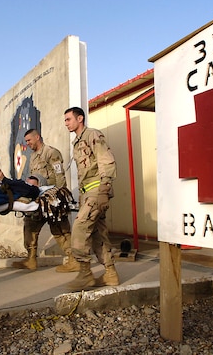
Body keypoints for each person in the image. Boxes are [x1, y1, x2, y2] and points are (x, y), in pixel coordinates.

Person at [0, 129, 78, 272]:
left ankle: (73, 260)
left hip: (52, 200)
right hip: (38, 200)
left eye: (29, 140)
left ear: (37, 137)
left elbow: (59, 176)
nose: (27, 144)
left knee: (60, 230)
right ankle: (31, 259)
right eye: (26, 141)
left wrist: (60, 199)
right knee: (30, 227)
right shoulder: (32, 157)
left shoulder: (51, 153)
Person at [63, 107, 119, 290]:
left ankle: (85, 274)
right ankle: (110, 273)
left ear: (80, 119)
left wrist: (104, 189)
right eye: (65, 120)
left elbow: (106, 160)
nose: (66, 123)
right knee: (97, 234)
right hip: (87, 193)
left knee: (80, 226)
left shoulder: (92, 134)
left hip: (97, 192)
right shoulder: (77, 142)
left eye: (69, 119)